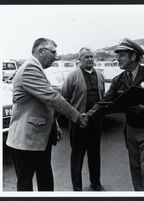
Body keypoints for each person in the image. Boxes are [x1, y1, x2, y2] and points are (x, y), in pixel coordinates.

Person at [6, 38, 88, 191]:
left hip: (37, 137)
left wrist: (54, 124)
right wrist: (77, 117)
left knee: (45, 179)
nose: (56, 57)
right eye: (53, 52)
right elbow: (52, 97)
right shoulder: (30, 68)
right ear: (41, 51)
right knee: (26, 183)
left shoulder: (37, 69)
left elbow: (43, 102)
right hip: (26, 139)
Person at [87, 38, 144, 191]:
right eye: (117, 55)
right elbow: (105, 101)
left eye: (121, 55)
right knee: (136, 170)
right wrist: (89, 115)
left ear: (133, 57)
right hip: (131, 131)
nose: (117, 59)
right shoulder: (119, 79)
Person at [61, 47, 105, 191]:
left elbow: (102, 97)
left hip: (95, 123)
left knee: (95, 155)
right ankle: (77, 189)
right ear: (79, 60)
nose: (89, 60)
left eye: (91, 56)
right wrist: (75, 116)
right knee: (77, 158)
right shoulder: (72, 76)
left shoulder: (99, 75)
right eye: (86, 57)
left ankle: (95, 183)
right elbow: (64, 99)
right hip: (78, 124)